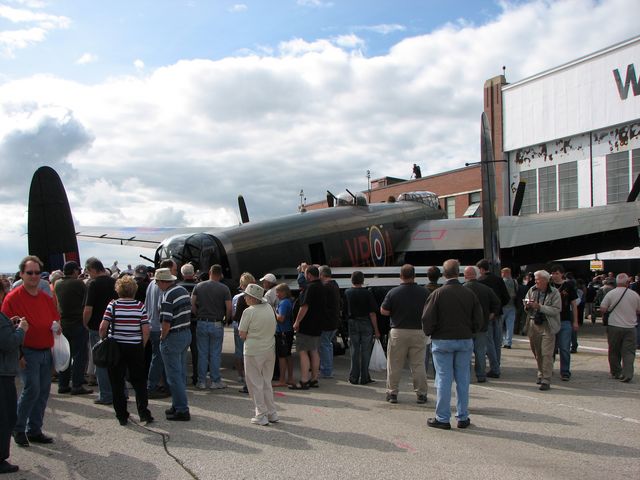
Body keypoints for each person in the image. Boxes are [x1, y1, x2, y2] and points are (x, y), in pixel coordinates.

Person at [1, 256, 60, 447]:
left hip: (45, 350)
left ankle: (34, 429)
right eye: (29, 273)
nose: (34, 276)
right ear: (22, 274)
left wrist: (57, 327)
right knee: (32, 389)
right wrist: (19, 354)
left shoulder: (45, 297)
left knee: (43, 392)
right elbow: (7, 328)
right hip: (28, 351)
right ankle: (18, 429)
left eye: (37, 272)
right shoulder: (13, 298)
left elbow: (55, 319)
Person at [422, 259, 482, 429]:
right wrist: (471, 331)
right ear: (459, 273)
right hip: (464, 339)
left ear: (444, 274)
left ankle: (442, 417)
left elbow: (427, 318)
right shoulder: (469, 293)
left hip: (442, 340)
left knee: (443, 379)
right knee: (463, 378)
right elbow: (478, 318)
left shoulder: (438, 294)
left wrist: (430, 332)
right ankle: (463, 416)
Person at [99, 275, 153, 425]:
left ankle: (122, 415)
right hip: (135, 346)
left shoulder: (113, 306)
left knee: (117, 382)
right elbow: (145, 330)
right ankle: (144, 413)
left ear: (118, 290)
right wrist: (142, 345)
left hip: (116, 346)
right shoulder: (139, 306)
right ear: (134, 290)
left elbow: (103, 327)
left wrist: (104, 339)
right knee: (139, 381)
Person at [380, 264, 429, 404]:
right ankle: (421, 394)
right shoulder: (424, 292)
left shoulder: (393, 292)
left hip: (398, 331)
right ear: (414, 276)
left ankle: (392, 393)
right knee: (418, 364)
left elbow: (384, 311)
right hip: (419, 330)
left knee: (394, 363)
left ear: (401, 276)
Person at [238, 283, 278, 426]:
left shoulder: (249, 311)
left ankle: (261, 414)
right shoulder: (269, 308)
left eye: (246, 296)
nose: (244, 298)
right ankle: (272, 412)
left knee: (255, 383)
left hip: (253, 350)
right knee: (267, 381)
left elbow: (242, 334)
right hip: (269, 348)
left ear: (251, 298)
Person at [157, 268, 192, 421]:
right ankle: (177, 404)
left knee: (173, 375)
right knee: (180, 372)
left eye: (158, 282)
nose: (157, 285)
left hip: (174, 335)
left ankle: (182, 409)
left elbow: (166, 321)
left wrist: (162, 337)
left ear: (162, 282)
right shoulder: (182, 290)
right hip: (185, 332)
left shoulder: (167, 295)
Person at [191, 264, 232, 389]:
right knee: (215, 353)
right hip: (216, 322)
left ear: (209, 272)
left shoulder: (198, 286)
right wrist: (226, 318)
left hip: (202, 321)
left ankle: (201, 381)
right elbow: (229, 308)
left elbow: (192, 303)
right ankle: (215, 381)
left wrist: (197, 314)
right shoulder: (224, 289)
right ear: (220, 275)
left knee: (202, 353)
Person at [55, 261, 92, 395]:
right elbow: (87, 300)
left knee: (66, 355)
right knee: (79, 355)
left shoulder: (58, 284)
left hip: (64, 323)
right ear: (75, 271)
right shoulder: (78, 284)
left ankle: (63, 384)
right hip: (78, 322)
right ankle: (77, 385)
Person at [83, 257, 117, 405]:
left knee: (101, 362)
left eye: (88, 271)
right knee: (116, 361)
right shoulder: (114, 282)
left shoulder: (93, 284)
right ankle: (121, 392)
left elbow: (88, 308)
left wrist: (85, 323)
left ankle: (106, 395)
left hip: (97, 326)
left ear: (93, 270)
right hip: (115, 326)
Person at [0, 312, 28, 473]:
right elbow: (7, 343)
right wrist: (21, 330)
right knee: (6, 417)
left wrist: (10, 326)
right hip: (3, 373)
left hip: (5, 372)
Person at [524, 270, 561, 391]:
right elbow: (526, 301)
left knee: (547, 353)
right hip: (534, 324)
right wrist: (527, 305)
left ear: (545, 280)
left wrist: (540, 307)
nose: (536, 281)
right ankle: (540, 373)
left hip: (548, 326)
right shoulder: (532, 290)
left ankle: (546, 379)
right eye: (535, 279)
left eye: (538, 279)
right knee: (537, 352)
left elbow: (556, 309)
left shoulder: (554, 293)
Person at [599, 273, 640, 382]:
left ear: (617, 282)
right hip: (630, 327)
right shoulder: (635, 295)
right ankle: (627, 374)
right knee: (629, 352)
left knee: (614, 350)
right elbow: (638, 310)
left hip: (614, 326)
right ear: (628, 282)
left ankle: (616, 372)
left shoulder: (611, 293)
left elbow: (602, 309)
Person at [463, 266, 500, 383]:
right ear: (476, 275)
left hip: (466, 326)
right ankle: (481, 375)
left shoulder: (463, 289)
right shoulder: (486, 289)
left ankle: (467, 376)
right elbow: (497, 302)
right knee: (480, 352)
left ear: (465, 276)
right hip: (483, 325)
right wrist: (492, 314)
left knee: (466, 353)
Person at [290, 265, 324, 390]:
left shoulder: (310, 288)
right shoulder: (322, 286)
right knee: (314, 351)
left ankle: (304, 380)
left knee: (303, 351)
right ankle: (314, 378)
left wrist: (297, 321)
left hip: (307, 325)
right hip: (318, 324)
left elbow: (304, 306)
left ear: (309, 275)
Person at [344, 271, 380, 385]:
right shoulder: (367, 293)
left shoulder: (347, 292)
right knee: (365, 351)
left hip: (352, 322)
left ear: (351, 280)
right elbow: (372, 313)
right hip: (365, 322)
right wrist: (376, 330)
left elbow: (344, 310)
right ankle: (365, 377)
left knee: (354, 350)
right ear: (362, 280)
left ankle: (353, 377)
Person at [146, 259, 174, 398]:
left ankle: (165, 384)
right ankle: (151, 386)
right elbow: (160, 307)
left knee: (160, 357)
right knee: (158, 358)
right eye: (173, 270)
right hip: (158, 326)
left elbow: (147, 304)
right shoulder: (161, 287)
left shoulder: (151, 284)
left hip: (151, 324)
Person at [477, 259, 509, 378]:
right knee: (497, 342)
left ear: (481, 269)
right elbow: (506, 297)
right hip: (498, 314)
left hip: (487, 315)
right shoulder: (499, 279)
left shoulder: (480, 281)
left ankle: (494, 368)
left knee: (488, 342)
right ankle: (497, 365)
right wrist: (498, 309)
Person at [549, 264, 578, 381]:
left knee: (564, 347)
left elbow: (574, 304)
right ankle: (548, 368)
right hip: (551, 319)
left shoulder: (568, 286)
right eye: (553, 273)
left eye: (557, 273)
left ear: (562, 274)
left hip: (565, 319)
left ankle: (565, 371)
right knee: (550, 347)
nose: (555, 275)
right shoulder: (549, 285)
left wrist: (575, 321)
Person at [232, 273, 255, 393]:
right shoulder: (257, 298)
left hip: (239, 325)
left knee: (239, 351)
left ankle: (241, 375)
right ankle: (250, 378)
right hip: (251, 327)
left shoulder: (237, 298)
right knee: (250, 353)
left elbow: (233, 314)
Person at [178, 263, 199, 387]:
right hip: (196, 322)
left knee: (182, 352)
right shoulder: (199, 287)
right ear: (193, 273)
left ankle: (182, 378)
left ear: (182, 274)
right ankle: (196, 377)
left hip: (182, 323)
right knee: (196, 351)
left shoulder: (178, 287)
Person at [319, 265, 340, 379]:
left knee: (324, 345)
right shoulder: (334, 285)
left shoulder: (326, 287)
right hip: (334, 321)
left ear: (322, 275)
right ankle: (328, 369)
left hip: (326, 323)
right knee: (328, 345)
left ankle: (326, 371)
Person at [274, 283, 295, 387]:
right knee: (288, 355)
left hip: (282, 332)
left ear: (284, 292)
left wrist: (274, 313)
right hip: (288, 331)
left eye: (278, 292)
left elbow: (281, 318)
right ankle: (290, 378)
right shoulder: (289, 301)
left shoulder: (283, 303)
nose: (276, 294)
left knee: (282, 357)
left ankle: (282, 379)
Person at [501, 267, 518, 349]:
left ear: (505, 273)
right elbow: (517, 291)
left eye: (502, 273)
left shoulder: (502, 282)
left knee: (500, 325)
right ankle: (508, 342)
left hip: (503, 306)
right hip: (512, 305)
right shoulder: (515, 282)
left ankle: (500, 341)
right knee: (510, 325)